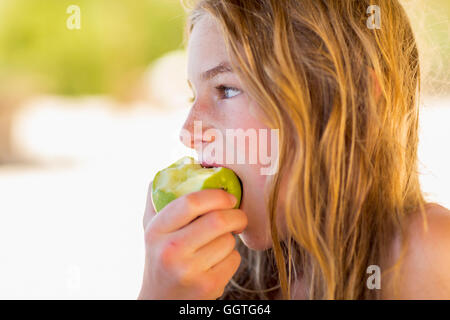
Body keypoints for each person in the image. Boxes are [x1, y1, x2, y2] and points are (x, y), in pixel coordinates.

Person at [138, 0, 450, 300]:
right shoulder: (221, 273)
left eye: (227, 89)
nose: (189, 132)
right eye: (193, 95)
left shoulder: (427, 254)